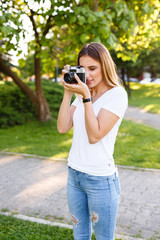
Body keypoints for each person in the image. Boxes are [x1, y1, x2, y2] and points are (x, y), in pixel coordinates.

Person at [57, 42, 128, 240]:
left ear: (105, 66)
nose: (87, 75)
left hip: (100, 180)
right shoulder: (81, 94)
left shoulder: (117, 95)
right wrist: (68, 92)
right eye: (83, 68)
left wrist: (86, 98)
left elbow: (94, 135)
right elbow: (62, 127)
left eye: (93, 68)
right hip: (75, 176)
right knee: (80, 236)